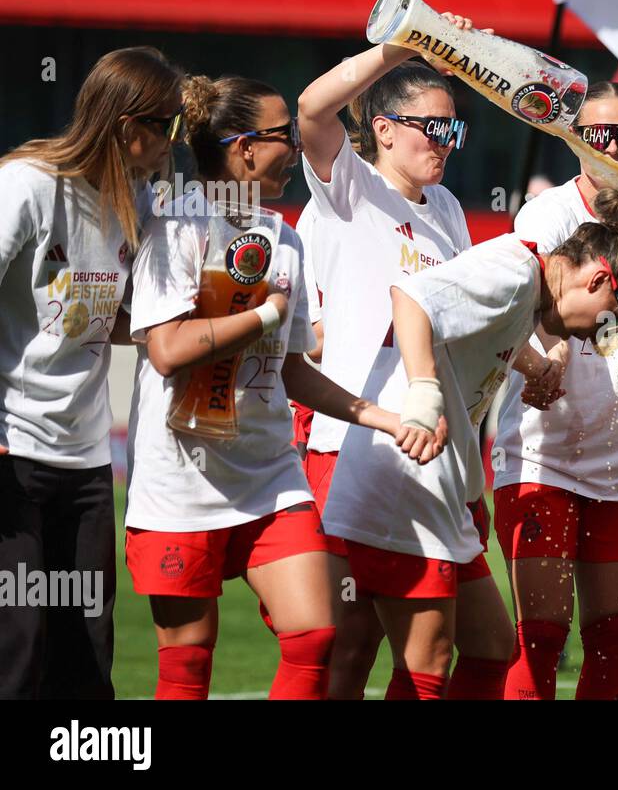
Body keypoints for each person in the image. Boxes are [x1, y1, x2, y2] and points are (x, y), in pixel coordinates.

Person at [124, 74, 432, 700]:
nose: (294, 149)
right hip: (179, 478)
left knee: (314, 634)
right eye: (282, 137)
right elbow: (166, 350)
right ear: (243, 148)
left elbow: (292, 370)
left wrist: (381, 417)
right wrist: (261, 315)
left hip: (269, 474)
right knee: (187, 663)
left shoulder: (284, 237)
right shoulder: (175, 228)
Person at [321, 186, 618, 699]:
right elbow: (409, 297)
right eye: (611, 316)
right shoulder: (516, 270)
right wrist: (424, 389)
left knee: (492, 646)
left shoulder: (529, 294)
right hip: (406, 479)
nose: (595, 338)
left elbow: (475, 344)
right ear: (598, 278)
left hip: (438, 490)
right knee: (423, 661)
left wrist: (471, 482)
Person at [295, 24, 519, 698]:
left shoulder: (449, 208)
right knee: (360, 643)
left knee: (455, 644)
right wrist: (404, 45)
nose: (445, 143)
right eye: (432, 128)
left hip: (434, 450)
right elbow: (311, 109)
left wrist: (529, 359)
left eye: (455, 131)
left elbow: (461, 315)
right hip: (352, 442)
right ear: (383, 129)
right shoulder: (350, 188)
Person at [492, 81, 618, 699]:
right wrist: (543, 358)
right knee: (541, 639)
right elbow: (518, 311)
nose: (609, 147)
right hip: (540, 455)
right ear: (575, 137)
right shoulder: (547, 214)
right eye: (595, 134)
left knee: (615, 638)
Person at [0, 46, 182, 699]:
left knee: (86, 656)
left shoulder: (136, 199)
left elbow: (107, 318)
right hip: (12, 455)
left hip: (84, 464)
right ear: (130, 126)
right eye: (170, 126)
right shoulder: (26, 185)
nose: (174, 144)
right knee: (18, 647)